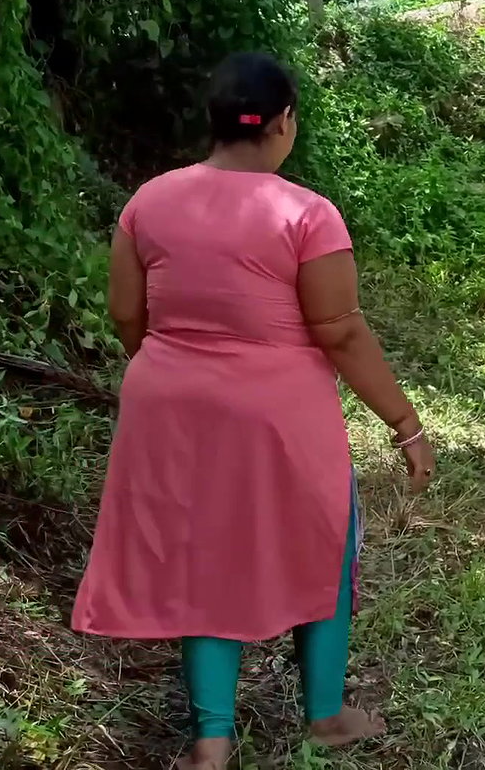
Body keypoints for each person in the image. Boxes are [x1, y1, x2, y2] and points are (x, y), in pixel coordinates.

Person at [71, 52, 435, 770]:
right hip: (277, 414)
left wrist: (179, 364)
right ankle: (325, 718)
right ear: (282, 124)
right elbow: (340, 331)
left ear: (213, 124)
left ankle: (211, 742)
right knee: (323, 542)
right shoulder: (306, 213)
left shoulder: (148, 202)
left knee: (202, 556)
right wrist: (406, 423)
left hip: (168, 407)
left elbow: (124, 314)